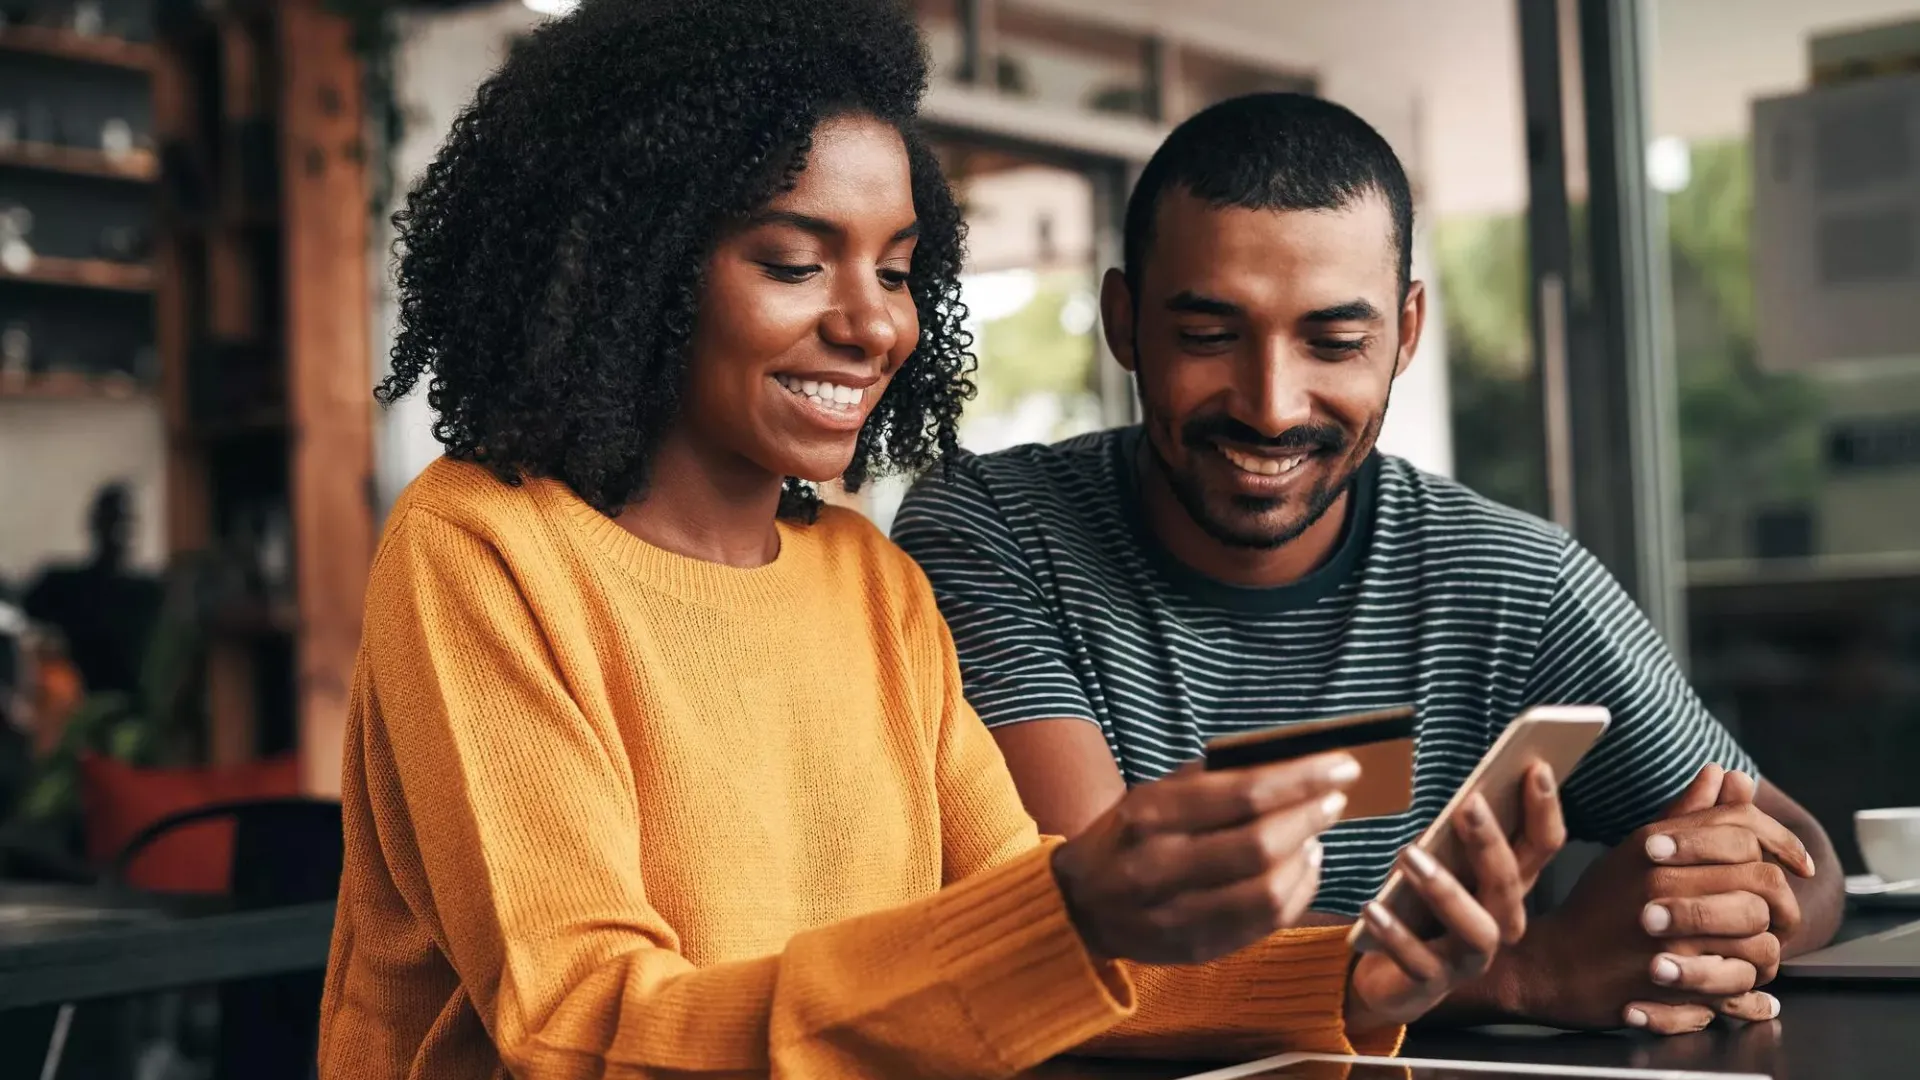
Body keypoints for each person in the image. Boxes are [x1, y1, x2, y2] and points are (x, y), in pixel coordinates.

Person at [317, 5, 1565, 1078]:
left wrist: (1352, 977)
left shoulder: (869, 583)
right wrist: (1069, 912)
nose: (873, 325)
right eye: (795, 263)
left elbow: (1028, 949)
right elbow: (577, 1029)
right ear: (632, 268)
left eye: (900, 271)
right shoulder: (483, 551)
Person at [892, 91, 1844, 1037]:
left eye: (1336, 343)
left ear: (1407, 332)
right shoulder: (993, 532)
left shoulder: (1511, 581)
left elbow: (1803, 859)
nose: (1271, 405)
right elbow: (1096, 943)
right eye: (1209, 336)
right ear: (1124, 322)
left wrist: (1701, 916)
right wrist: (1531, 973)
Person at [21, 483, 162, 697]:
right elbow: (19, 615)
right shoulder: (65, 586)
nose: (118, 531)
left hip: (134, 702)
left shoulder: (149, 594)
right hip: (77, 703)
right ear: (95, 524)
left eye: (123, 522)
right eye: (111, 520)